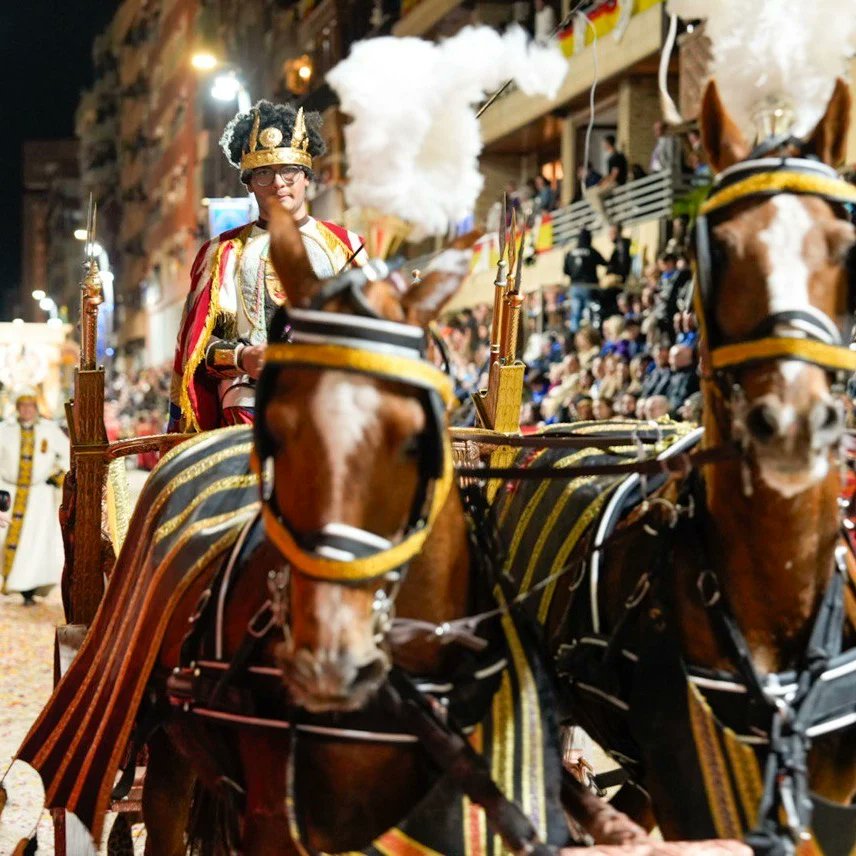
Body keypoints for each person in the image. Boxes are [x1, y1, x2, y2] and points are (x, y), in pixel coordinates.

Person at [168, 100, 365, 432]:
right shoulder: (221, 252)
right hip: (248, 405)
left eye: (289, 170)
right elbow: (197, 349)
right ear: (248, 183)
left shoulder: (347, 246)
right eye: (263, 173)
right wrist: (242, 358)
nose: (278, 183)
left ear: (306, 176)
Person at [0, 391, 68, 605]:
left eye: (31, 406)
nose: (27, 410)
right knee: (6, 538)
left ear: (36, 408)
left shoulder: (49, 430)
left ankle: (29, 589)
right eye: (23, 406)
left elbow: (68, 454)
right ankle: (10, 581)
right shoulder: (4, 431)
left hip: (39, 494)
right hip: (9, 491)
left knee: (35, 541)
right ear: (18, 408)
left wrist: (57, 476)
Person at [563, 228, 606, 332]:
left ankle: (574, 337)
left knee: (575, 313)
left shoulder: (570, 252)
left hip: (575, 286)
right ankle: (591, 335)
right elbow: (605, 263)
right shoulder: (591, 250)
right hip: (589, 286)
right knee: (589, 312)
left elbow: (566, 271)